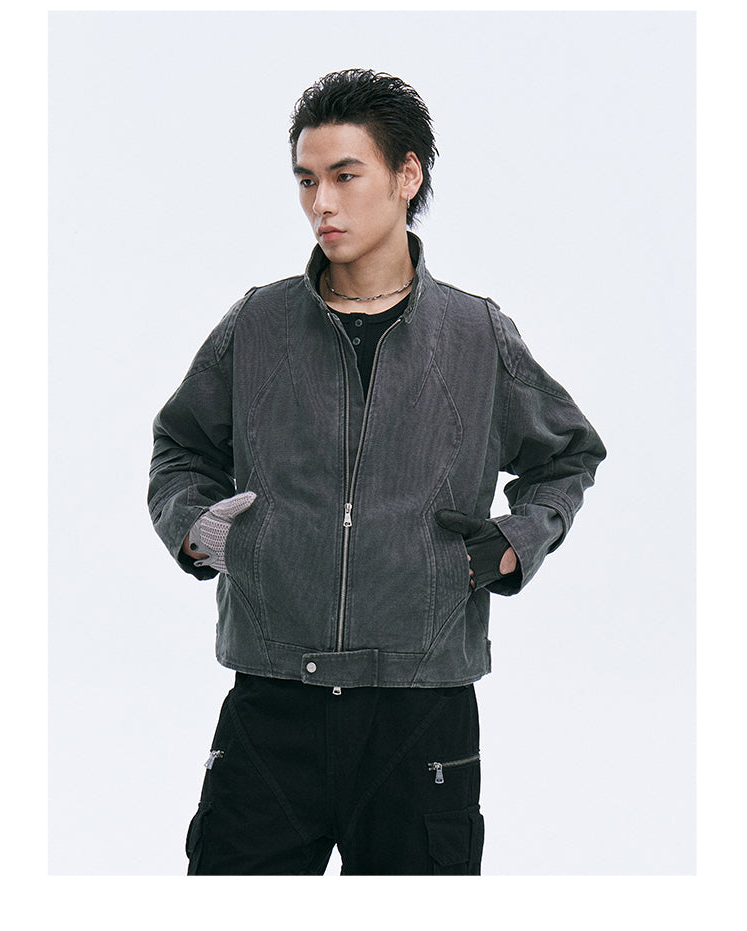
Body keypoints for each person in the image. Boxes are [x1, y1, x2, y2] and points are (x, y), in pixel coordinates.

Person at [147, 69, 606, 875]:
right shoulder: (257, 323)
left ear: (406, 175)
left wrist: (515, 542)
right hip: (272, 701)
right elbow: (180, 446)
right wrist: (197, 528)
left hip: (420, 713)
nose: (321, 203)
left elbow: (567, 454)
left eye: (344, 176)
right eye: (306, 180)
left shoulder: (475, 334)